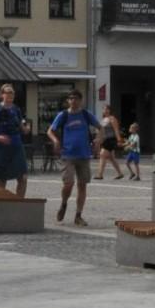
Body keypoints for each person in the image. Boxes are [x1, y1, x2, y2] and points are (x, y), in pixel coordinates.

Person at [47, 89, 100, 227]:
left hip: (84, 154)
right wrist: (56, 141)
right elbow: (50, 131)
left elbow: (101, 128)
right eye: (70, 98)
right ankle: (64, 203)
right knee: (68, 183)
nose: (73, 101)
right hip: (67, 154)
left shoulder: (85, 114)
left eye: (76, 98)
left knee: (82, 185)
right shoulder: (63, 115)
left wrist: (98, 141)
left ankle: (78, 215)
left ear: (80, 100)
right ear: (68, 101)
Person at [95, 103, 126, 181]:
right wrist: (98, 139)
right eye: (104, 109)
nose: (105, 110)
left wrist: (119, 140)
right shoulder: (103, 120)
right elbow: (101, 131)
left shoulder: (112, 118)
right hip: (105, 140)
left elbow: (116, 130)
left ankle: (100, 174)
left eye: (107, 109)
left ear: (110, 110)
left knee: (102, 155)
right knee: (111, 158)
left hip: (111, 139)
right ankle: (120, 173)